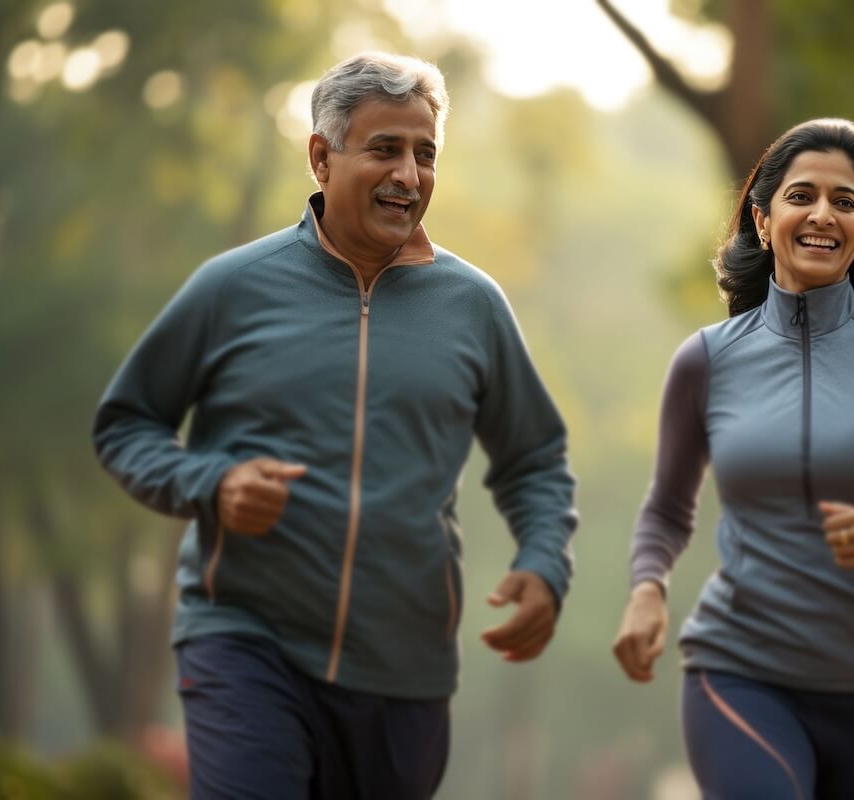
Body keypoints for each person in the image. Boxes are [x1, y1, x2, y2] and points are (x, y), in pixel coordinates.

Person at [93, 52, 577, 799]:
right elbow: (126, 424)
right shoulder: (233, 288)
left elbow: (535, 457)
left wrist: (545, 561)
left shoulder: (472, 306)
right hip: (247, 640)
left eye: (425, 155)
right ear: (322, 156)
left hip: (404, 669)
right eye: (385, 149)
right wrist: (212, 483)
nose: (408, 176)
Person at [612, 118, 854, 799]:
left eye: (845, 202)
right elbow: (667, 510)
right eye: (801, 195)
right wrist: (647, 590)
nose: (823, 213)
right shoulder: (707, 360)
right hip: (742, 669)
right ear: (763, 220)